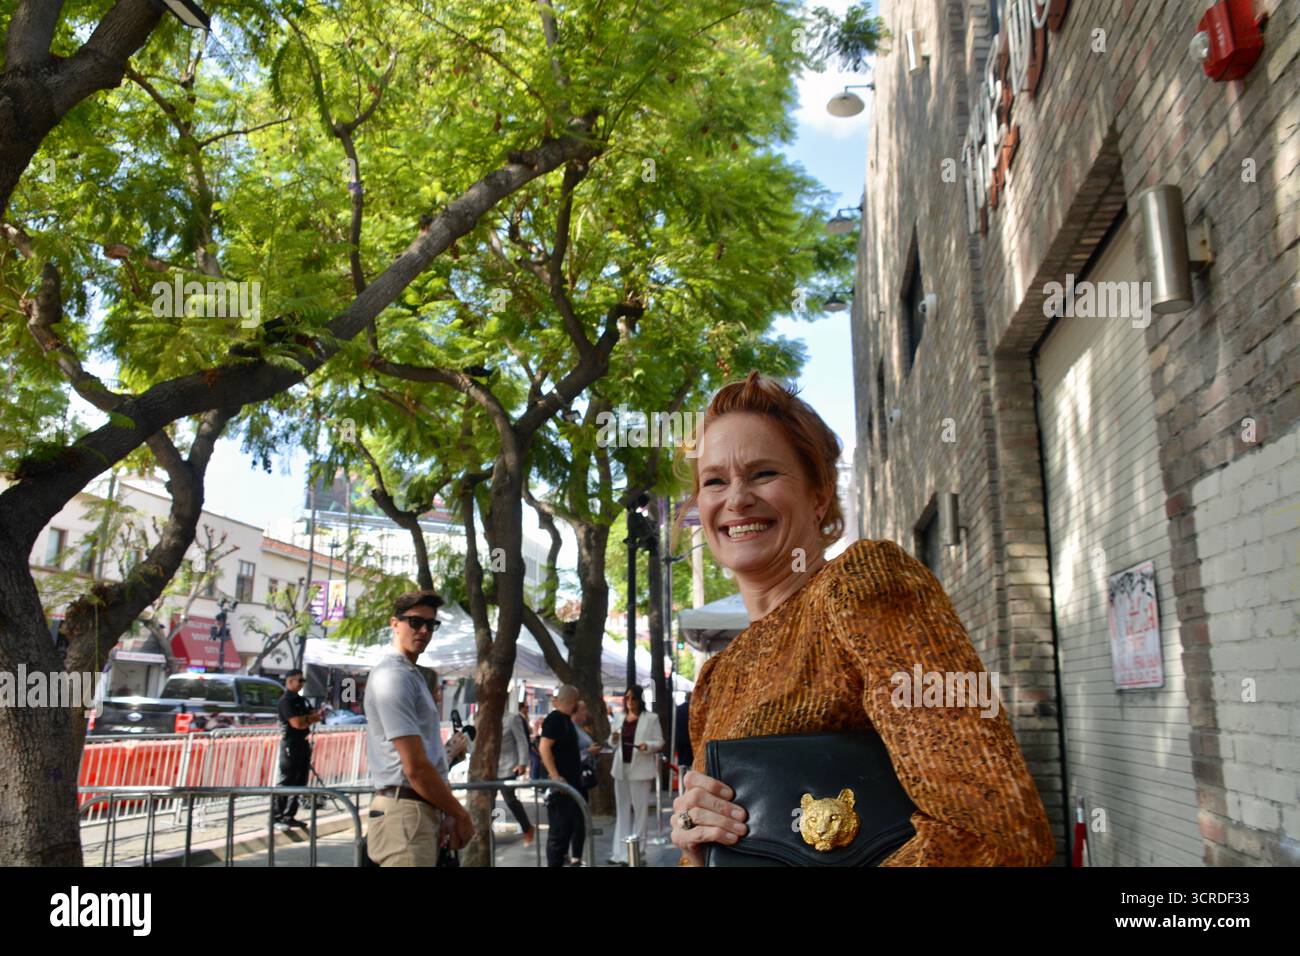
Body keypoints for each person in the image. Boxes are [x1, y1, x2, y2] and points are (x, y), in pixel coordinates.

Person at [669, 372, 1056, 867]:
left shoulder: (861, 584)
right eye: (715, 481)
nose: (736, 498)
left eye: (763, 473)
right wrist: (697, 842)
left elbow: (997, 835)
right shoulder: (716, 679)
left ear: (819, 495)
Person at [364, 590, 473, 866]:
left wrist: (445, 809)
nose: (424, 630)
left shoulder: (410, 675)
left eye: (431, 624)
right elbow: (414, 768)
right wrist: (460, 813)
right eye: (415, 622)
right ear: (395, 624)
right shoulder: (393, 676)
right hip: (405, 813)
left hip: (416, 811)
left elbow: (423, 762)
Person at [609, 685, 664, 865]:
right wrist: (614, 738)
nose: (629, 702)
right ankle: (619, 853)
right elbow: (611, 742)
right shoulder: (619, 717)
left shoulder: (651, 718)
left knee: (640, 812)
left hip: (640, 769)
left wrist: (647, 745)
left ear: (640, 700)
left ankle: (637, 852)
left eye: (633, 698)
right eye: (627, 698)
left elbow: (660, 742)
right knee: (622, 810)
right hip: (620, 768)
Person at [537, 684, 584, 868]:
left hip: (570, 788)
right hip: (561, 790)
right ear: (572, 701)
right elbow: (544, 746)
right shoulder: (555, 719)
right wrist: (555, 776)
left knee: (567, 831)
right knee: (558, 834)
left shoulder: (565, 720)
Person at [274, 669, 324, 828]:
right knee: (287, 780)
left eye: (303, 681)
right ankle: (277, 816)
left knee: (300, 780)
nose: (302, 683)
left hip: (303, 742)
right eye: (299, 680)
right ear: (289, 681)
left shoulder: (301, 700)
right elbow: (297, 723)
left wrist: (309, 718)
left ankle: (289, 815)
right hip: (290, 743)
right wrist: (310, 719)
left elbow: (314, 715)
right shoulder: (286, 701)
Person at [492, 700, 536, 847]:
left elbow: (522, 741)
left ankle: (527, 827)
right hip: (490, 766)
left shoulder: (512, 718)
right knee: (487, 801)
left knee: (509, 798)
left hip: (509, 765)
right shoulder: (480, 718)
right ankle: (487, 833)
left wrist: (523, 762)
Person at [568, 697, 603, 865]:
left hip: (581, 777)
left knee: (578, 817)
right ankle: (575, 856)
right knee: (577, 817)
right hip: (576, 779)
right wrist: (588, 752)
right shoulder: (571, 729)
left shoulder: (579, 729)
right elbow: (570, 754)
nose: (586, 713)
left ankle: (576, 854)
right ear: (576, 711)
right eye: (583, 710)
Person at [673, 692, 693, 781]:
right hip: (689, 738)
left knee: (682, 761)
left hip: (679, 738)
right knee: (689, 761)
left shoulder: (678, 709)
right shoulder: (692, 709)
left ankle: (682, 778)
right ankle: (687, 779)